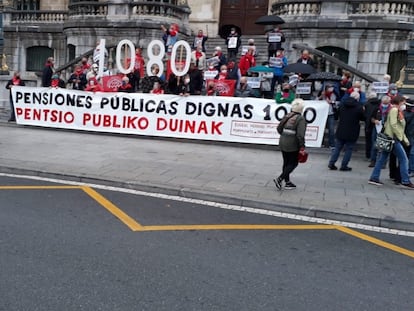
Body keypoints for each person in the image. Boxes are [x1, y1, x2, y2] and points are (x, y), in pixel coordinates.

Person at [369, 96, 414, 189]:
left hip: (392, 138)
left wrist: (404, 139)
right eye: (403, 103)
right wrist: (401, 138)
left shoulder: (397, 111)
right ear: (399, 102)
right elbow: (394, 125)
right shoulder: (394, 110)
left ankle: (374, 177)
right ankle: (405, 180)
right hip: (393, 139)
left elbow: (399, 127)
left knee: (382, 158)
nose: (404, 105)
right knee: (404, 159)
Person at [274, 99, 307, 190]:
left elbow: (279, 128)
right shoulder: (300, 119)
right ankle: (280, 179)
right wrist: (302, 146)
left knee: (286, 162)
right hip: (292, 144)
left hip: (283, 141)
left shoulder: (288, 115)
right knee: (293, 162)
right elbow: (300, 134)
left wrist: (284, 135)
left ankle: (287, 182)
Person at [328, 91, 365, 171]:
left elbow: (336, 115)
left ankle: (331, 163)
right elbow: (363, 118)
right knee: (349, 149)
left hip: (341, 128)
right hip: (352, 130)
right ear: (357, 98)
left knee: (338, 147)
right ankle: (344, 165)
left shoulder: (342, 104)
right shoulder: (359, 106)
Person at [366, 93, 384, 167]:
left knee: (383, 145)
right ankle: (373, 160)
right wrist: (374, 120)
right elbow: (371, 117)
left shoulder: (391, 109)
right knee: (374, 144)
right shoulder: (377, 108)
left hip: (385, 128)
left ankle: (382, 161)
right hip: (376, 127)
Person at [319, 83, 337, 148]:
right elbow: (316, 101)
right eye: (330, 87)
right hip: (322, 114)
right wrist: (321, 97)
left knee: (331, 130)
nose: (331, 89)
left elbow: (335, 102)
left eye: (332, 87)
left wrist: (331, 102)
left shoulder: (333, 95)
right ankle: (321, 142)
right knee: (322, 129)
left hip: (330, 113)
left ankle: (331, 144)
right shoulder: (322, 94)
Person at [404, 100, 414, 176]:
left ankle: (410, 169)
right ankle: (410, 169)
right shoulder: (407, 114)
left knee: (410, 153)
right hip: (408, 135)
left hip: (409, 135)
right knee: (409, 154)